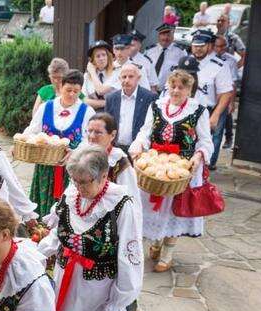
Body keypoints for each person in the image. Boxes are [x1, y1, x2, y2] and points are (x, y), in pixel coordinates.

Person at [38, 147, 143, 311]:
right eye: (75, 180)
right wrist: (37, 256)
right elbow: (56, 233)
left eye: (85, 181)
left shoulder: (121, 204)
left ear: (104, 175)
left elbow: (130, 255)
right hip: (65, 277)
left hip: (96, 288)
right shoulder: (71, 194)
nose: (79, 186)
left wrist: (120, 299)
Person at [129, 70, 213, 272]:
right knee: (152, 209)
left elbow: (204, 140)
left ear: (189, 89)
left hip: (181, 170)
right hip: (155, 168)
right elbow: (145, 132)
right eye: (173, 85)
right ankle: (156, 243)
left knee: (173, 211)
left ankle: (167, 254)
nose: (176, 90)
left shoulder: (198, 110)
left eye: (181, 87)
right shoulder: (156, 106)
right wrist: (139, 145)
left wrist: (198, 156)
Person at [26, 70, 96, 218]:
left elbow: (88, 140)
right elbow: (32, 130)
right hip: (44, 167)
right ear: (61, 87)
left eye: (76, 91)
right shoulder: (46, 107)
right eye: (68, 90)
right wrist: (20, 142)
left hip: (72, 169)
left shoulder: (87, 111)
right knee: (41, 207)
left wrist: (75, 153)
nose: (71, 94)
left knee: (68, 209)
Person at [79, 113, 142, 213]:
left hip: (109, 218)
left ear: (112, 135)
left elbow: (131, 199)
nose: (91, 136)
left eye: (98, 132)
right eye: (89, 131)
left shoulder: (119, 161)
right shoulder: (82, 154)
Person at [190, 32, 233, 170]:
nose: (198, 49)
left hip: (208, 109)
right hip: (188, 108)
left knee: (207, 142)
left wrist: (215, 115)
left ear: (209, 46)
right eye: (195, 46)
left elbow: (226, 93)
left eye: (201, 46)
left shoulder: (219, 65)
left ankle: (207, 168)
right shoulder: (186, 62)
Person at [104, 63, 158, 152]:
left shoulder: (149, 98)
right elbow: (107, 124)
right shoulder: (111, 98)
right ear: (119, 79)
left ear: (138, 78)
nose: (127, 80)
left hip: (139, 149)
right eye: (124, 77)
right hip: (115, 148)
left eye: (131, 76)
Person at [145, 23, 187, 91]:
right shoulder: (149, 51)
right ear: (158, 36)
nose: (165, 38)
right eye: (163, 35)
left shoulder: (181, 52)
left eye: (169, 35)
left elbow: (184, 73)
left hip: (169, 91)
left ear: (173, 36)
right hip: (149, 89)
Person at [82, 40, 115, 110]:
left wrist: (92, 72)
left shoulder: (115, 73)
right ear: (92, 60)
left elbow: (100, 91)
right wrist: (108, 102)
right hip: (92, 113)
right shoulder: (86, 76)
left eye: (104, 55)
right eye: (98, 56)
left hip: (112, 112)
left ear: (108, 56)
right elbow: (84, 100)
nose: (101, 58)